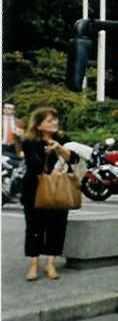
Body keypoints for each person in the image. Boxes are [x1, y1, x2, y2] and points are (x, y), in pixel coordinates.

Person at [20, 107, 80, 280]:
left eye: (55, 119)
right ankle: (34, 265)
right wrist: (49, 169)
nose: (54, 123)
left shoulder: (63, 139)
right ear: (39, 125)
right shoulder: (29, 141)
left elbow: (74, 159)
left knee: (57, 226)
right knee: (34, 227)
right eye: (49, 120)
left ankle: (50, 264)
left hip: (59, 188)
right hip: (34, 189)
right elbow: (33, 165)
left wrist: (59, 149)